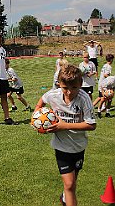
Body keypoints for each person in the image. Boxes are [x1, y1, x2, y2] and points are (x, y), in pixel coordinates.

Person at [33, 64, 96, 206]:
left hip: (79, 146)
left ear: (80, 84)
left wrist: (64, 126)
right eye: (65, 88)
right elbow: (40, 103)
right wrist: (38, 119)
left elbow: (91, 125)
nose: (69, 92)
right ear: (59, 84)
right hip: (61, 147)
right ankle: (67, 195)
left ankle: (65, 197)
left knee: (72, 184)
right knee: (69, 185)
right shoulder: (53, 95)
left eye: (74, 88)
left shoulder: (84, 99)